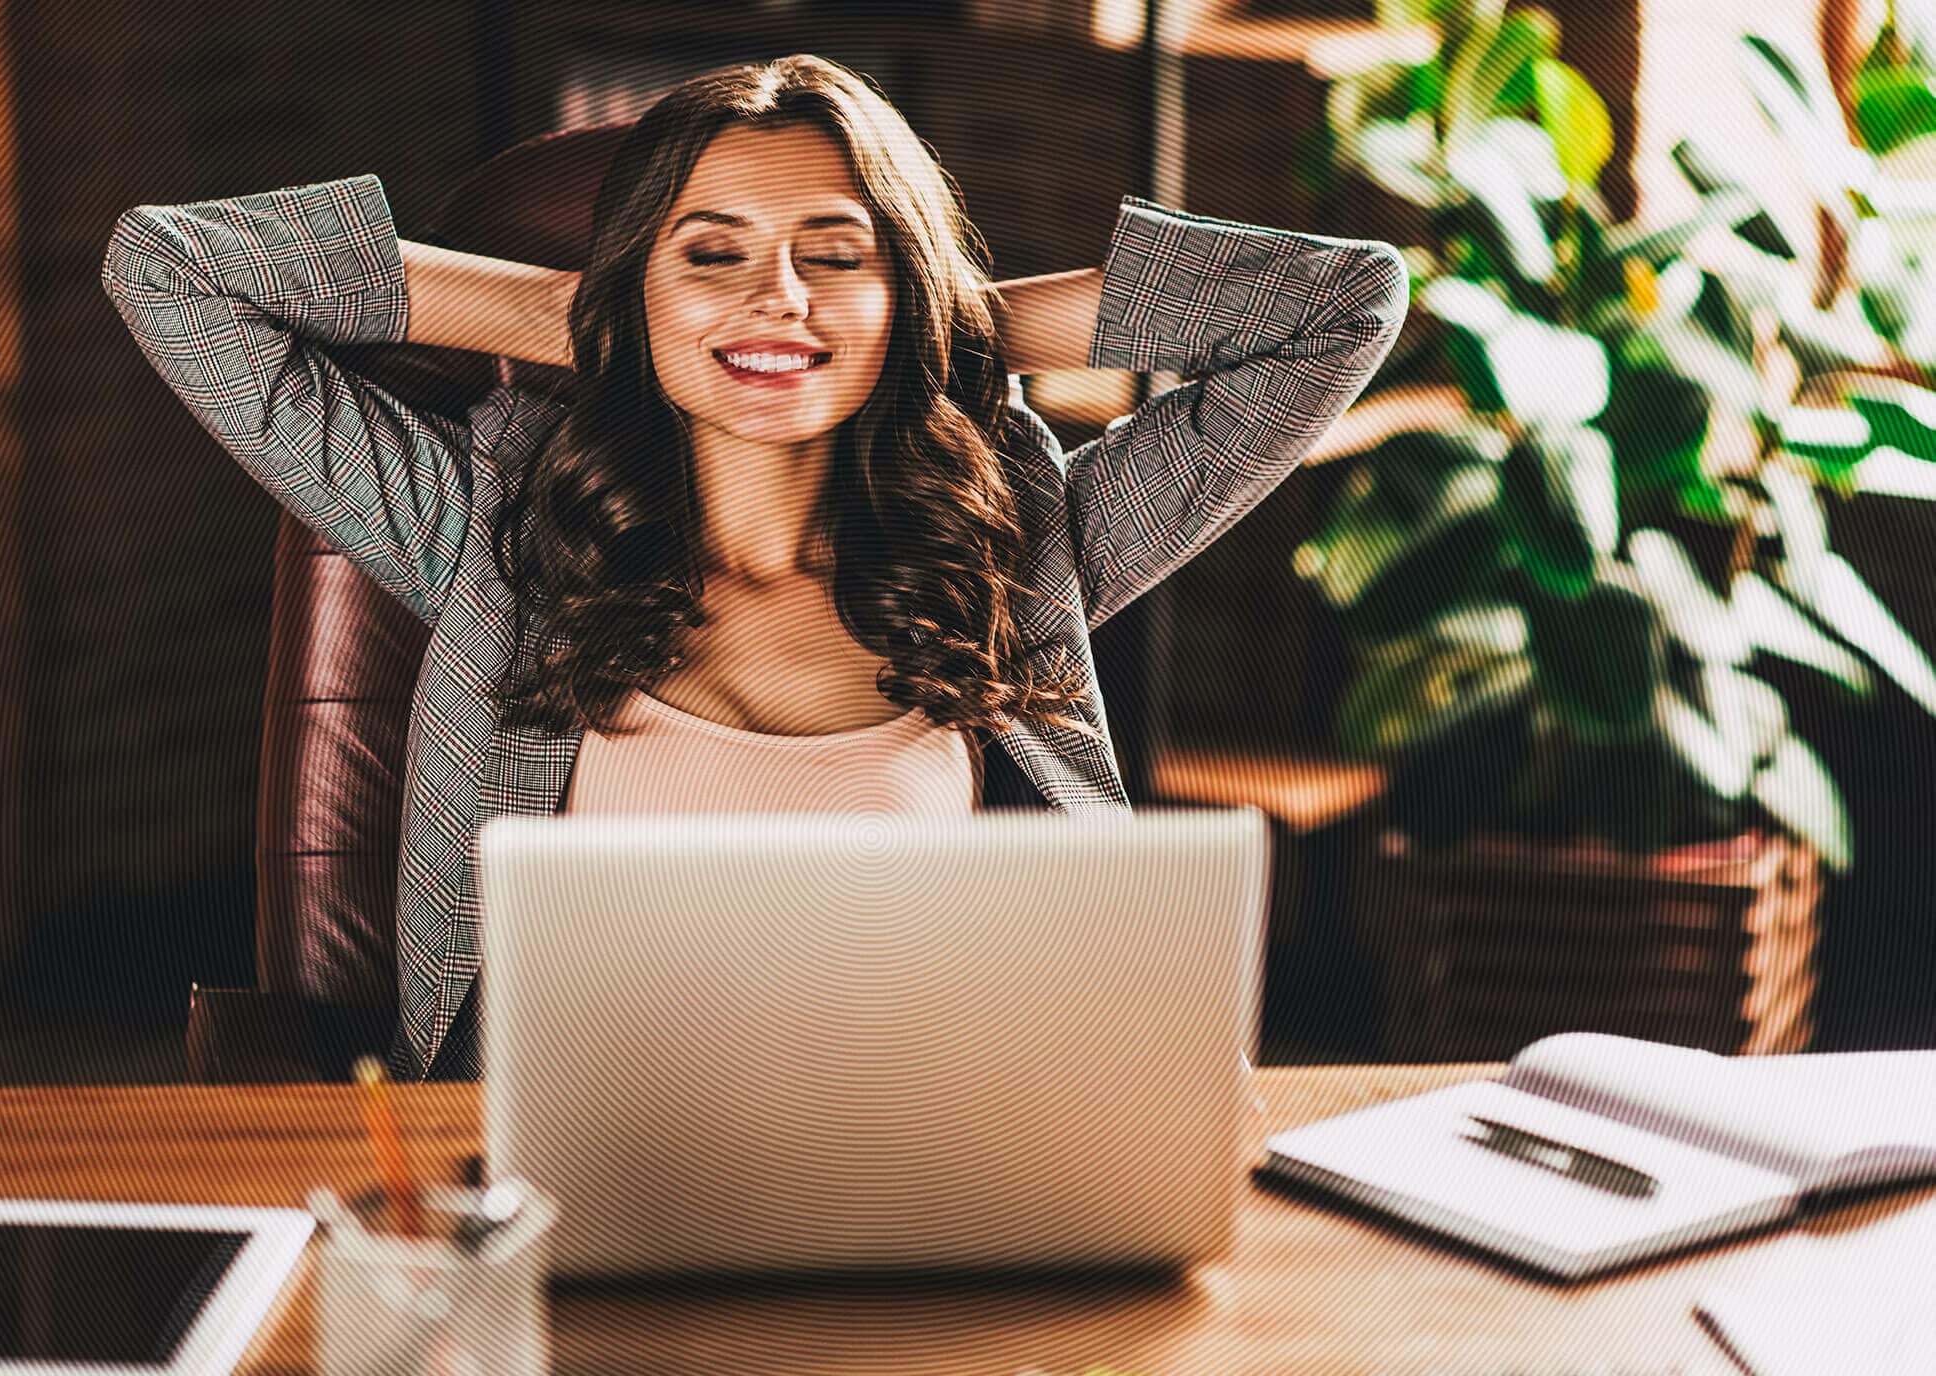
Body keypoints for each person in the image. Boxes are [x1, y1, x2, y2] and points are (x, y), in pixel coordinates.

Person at [99, 54, 1408, 1081]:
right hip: (583, 1161)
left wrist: (943, 328)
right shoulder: (487, 526)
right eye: (710, 252)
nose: (774, 297)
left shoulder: (1016, 536)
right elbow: (168, 269)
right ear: (635, 284)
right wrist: (564, 314)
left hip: (936, 1145)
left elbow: (1340, 303)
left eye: (834, 256)